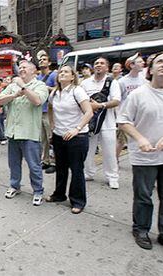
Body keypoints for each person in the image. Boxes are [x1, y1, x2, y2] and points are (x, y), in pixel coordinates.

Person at [117, 51, 163, 258]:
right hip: (144, 156)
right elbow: (124, 121)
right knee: (143, 195)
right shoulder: (138, 94)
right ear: (151, 68)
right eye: (160, 62)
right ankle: (141, 229)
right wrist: (140, 139)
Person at [0, 60, 49, 205]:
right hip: (13, 132)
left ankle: (38, 190)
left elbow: (38, 101)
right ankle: (15, 185)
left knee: (34, 165)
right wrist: (14, 95)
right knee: (14, 163)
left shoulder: (40, 85)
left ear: (33, 71)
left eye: (24, 67)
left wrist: (23, 87)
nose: (21, 69)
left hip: (30, 133)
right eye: (19, 67)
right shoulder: (12, 86)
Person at [45, 65, 93, 214]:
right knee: (61, 168)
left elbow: (89, 112)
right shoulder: (55, 93)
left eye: (66, 72)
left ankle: (78, 201)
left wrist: (76, 129)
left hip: (77, 137)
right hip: (59, 136)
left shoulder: (77, 91)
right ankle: (59, 194)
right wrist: (52, 125)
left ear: (73, 76)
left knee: (77, 169)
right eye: (60, 72)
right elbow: (51, 108)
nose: (62, 74)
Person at [81, 57, 121, 189]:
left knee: (109, 151)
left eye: (102, 63)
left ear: (107, 68)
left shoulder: (112, 82)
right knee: (88, 150)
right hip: (90, 122)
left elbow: (116, 101)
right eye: (96, 63)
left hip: (107, 122)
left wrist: (100, 105)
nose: (99, 65)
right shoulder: (85, 83)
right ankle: (88, 172)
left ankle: (112, 177)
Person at [116, 53, 147, 159]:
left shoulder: (144, 80)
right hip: (126, 116)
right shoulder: (122, 81)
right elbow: (117, 99)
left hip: (141, 116)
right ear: (132, 65)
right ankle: (115, 160)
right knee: (121, 141)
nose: (143, 63)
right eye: (140, 61)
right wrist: (119, 116)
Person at [36, 50, 57, 174]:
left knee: (51, 138)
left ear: (49, 62)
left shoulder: (53, 75)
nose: (42, 61)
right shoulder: (38, 77)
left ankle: (54, 162)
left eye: (44, 59)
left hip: (50, 112)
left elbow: (58, 89)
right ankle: (46, 161)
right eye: (40, 60)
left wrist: (46, 88)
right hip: (39, 111)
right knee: (42, 139)